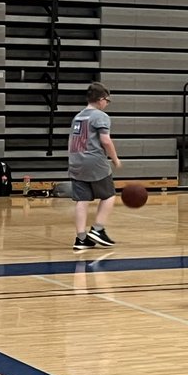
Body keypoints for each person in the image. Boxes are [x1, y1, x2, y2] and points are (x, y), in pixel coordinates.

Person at [67, 82, 121, 251]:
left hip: (76, 160)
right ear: (100, 100)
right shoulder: (100, 116)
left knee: (82, 200)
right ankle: (98, 229)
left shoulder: (78, 116)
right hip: (94, 160)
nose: (107, 104)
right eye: (107, 100)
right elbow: (105, 140)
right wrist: (115, 159)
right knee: (109, 195)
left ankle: (81, 238)